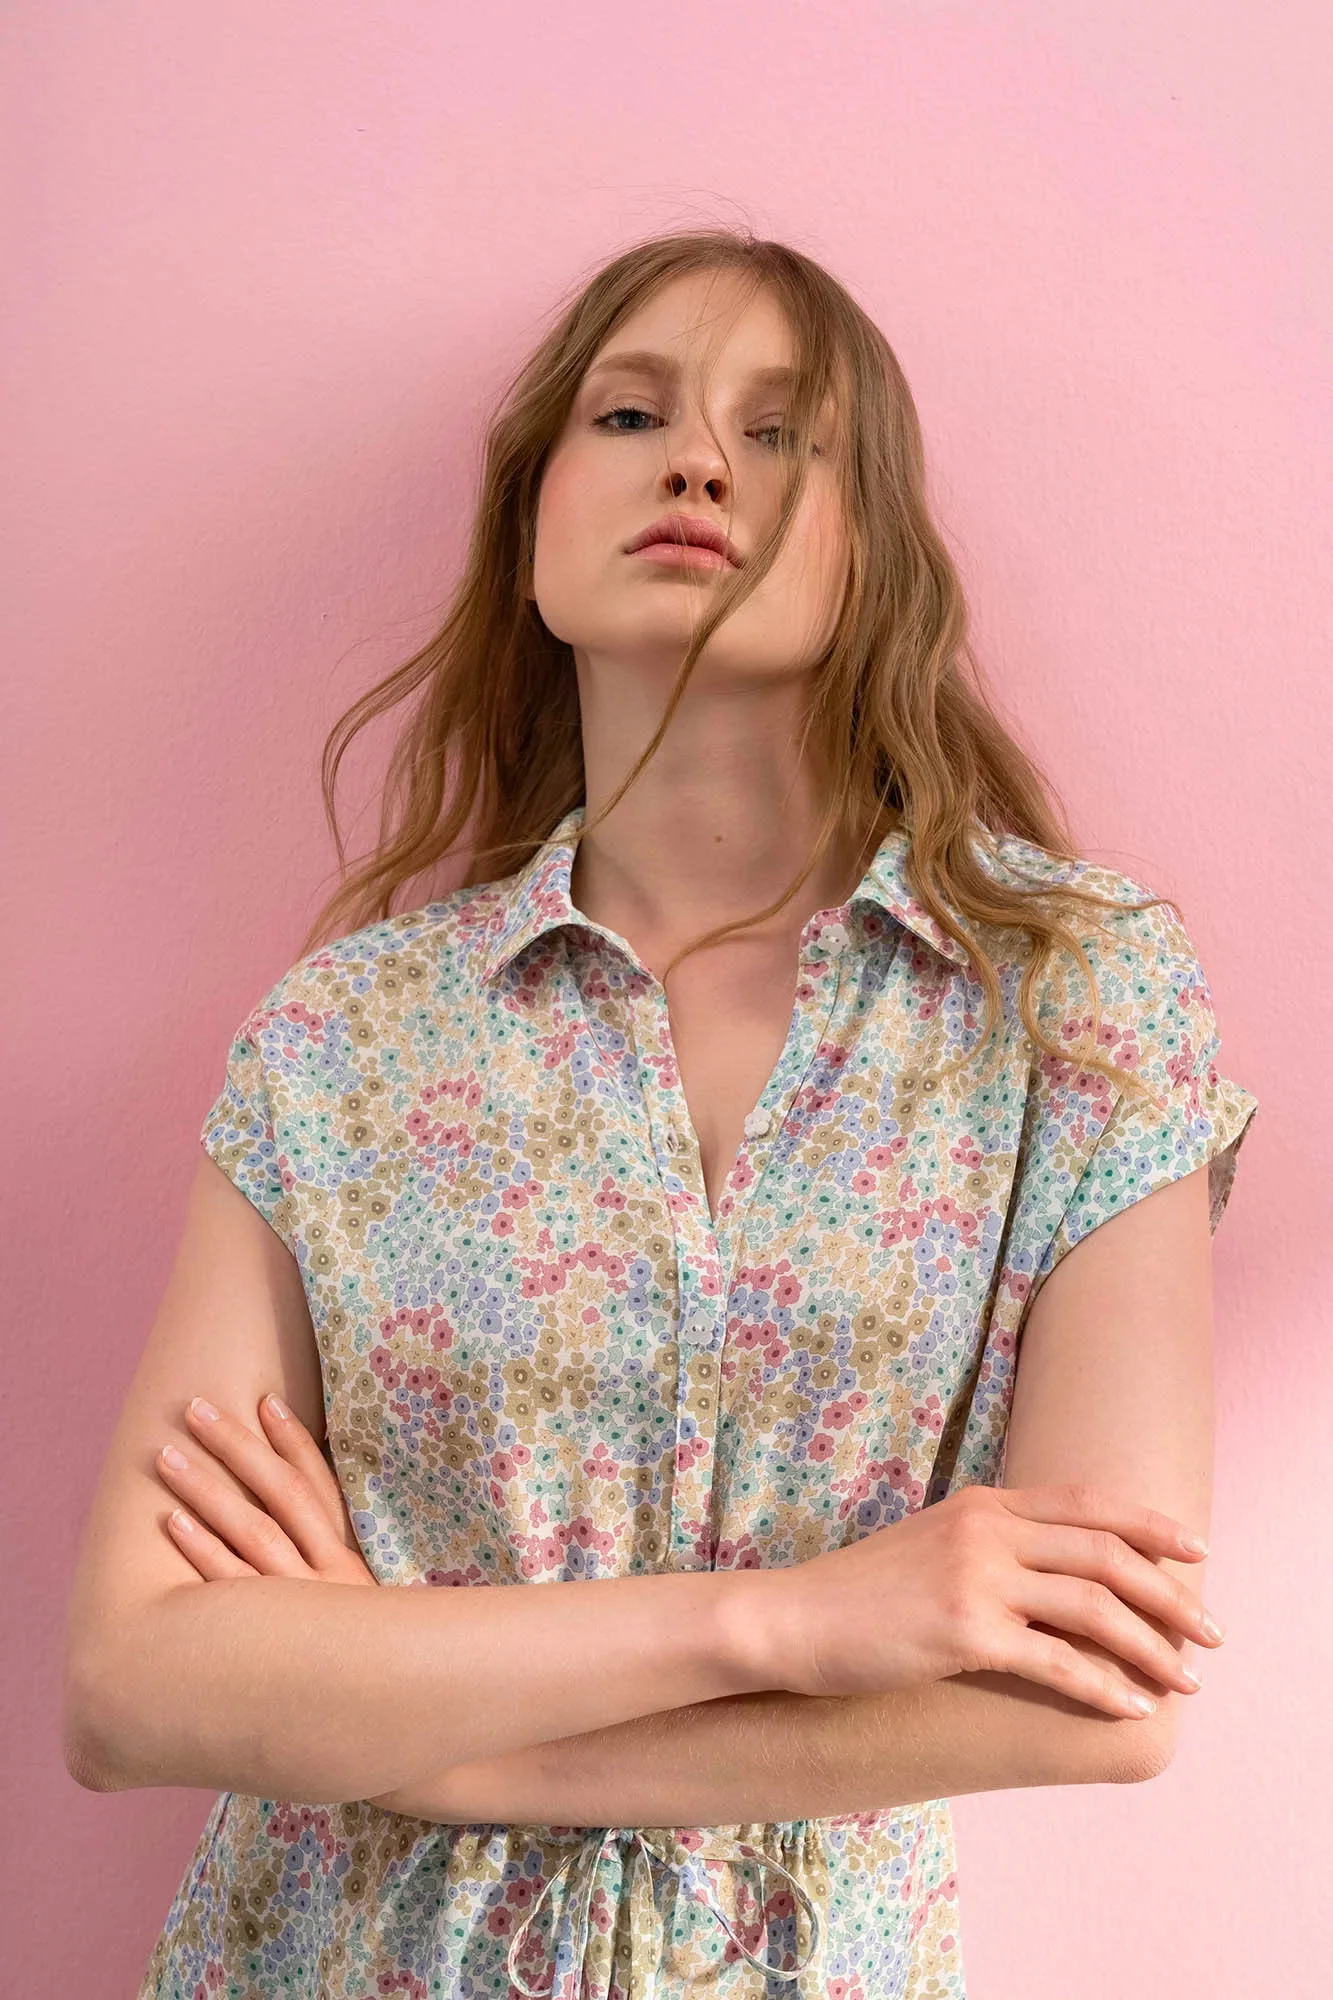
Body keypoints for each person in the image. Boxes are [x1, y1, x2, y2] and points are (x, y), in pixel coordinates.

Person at [64, 230, 1258, 2000]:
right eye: (631, 415)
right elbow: (131, 1688)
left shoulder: (1074, 996)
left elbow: (1100, 1692)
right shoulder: (342, 1043)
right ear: (531, 528)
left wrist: (430, 1743)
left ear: (875, 549)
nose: (700, 460)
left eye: (782, 433)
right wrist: (796, 1620)